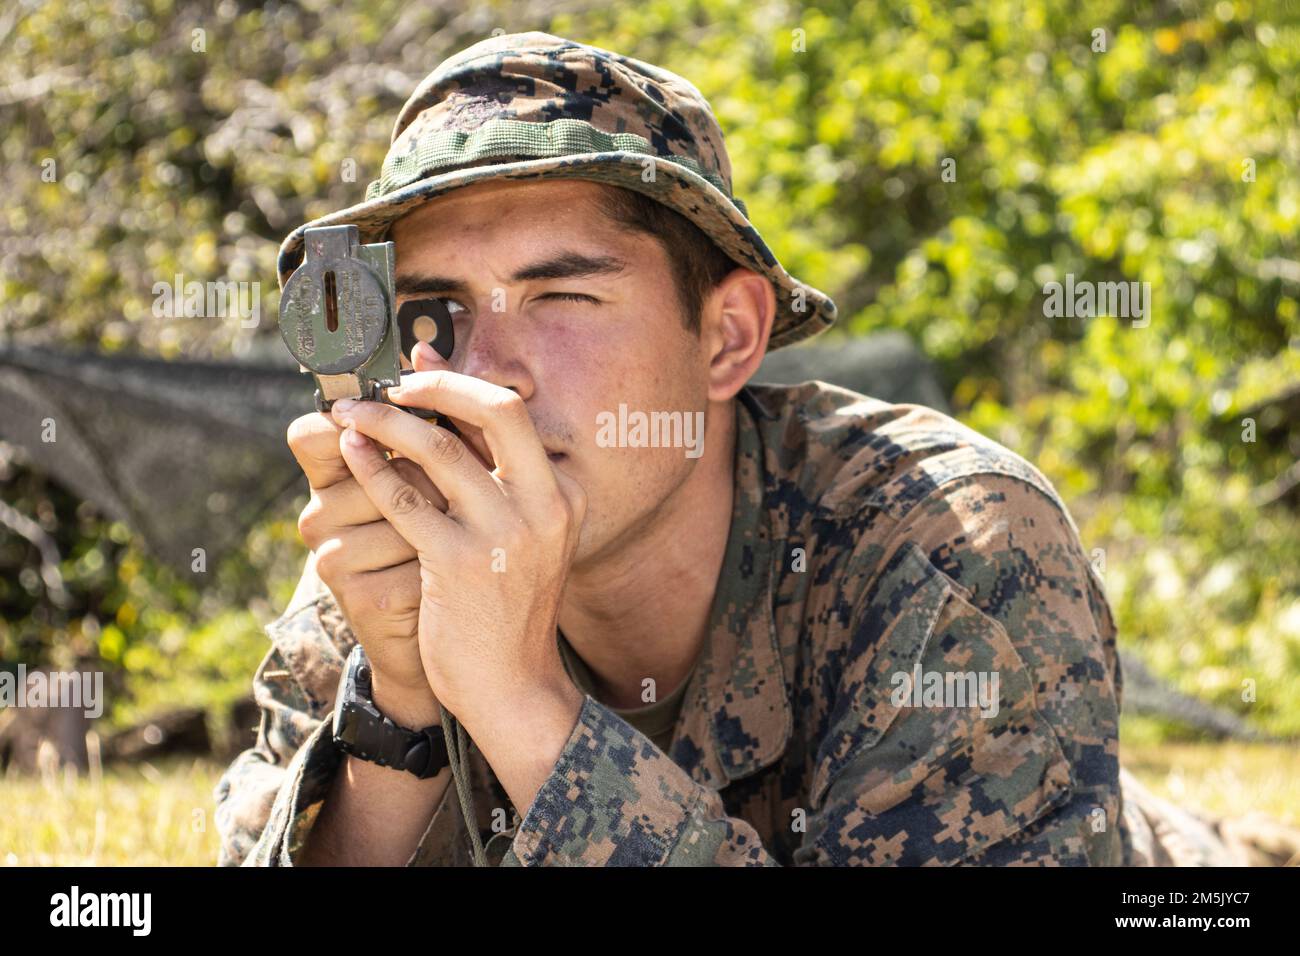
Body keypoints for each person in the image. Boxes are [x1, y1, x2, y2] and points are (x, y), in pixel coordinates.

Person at [214, 31, 1291, 867]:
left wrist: (518, 702)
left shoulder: (951, 544)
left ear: (728, 335)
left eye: (561, 297)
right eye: (437, 307)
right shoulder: (399, 549)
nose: (489, 370)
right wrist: (398, 711)